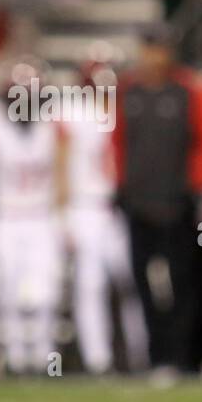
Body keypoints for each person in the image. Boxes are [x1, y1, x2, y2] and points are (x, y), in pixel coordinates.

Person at [111, 29, 202, 377]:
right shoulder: (128, 91)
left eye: (158, 49)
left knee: (182, 281)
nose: (153, 57)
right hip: (138, 202)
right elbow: (118, 142)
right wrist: (120, 183)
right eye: (148, 49)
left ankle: (183, 356)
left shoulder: (188, 91)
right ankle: (156, 356)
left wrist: (196, 184)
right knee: (143, 283)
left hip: (178, 204)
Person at [0, 59, 62, 374]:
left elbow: (62, 177)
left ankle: (43, 357)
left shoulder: (51, 128)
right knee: (6, 291)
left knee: (46, 293)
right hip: (7, 217)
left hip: (41, 216)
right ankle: (14, 357)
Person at [64, 57, 148, 376]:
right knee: (91, 285)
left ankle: (140, 354)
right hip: (84, 206)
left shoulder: (124, 113)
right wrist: (63, 212)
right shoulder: (71, 114)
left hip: (118, 207)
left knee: (130, 283)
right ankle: (97, 359)